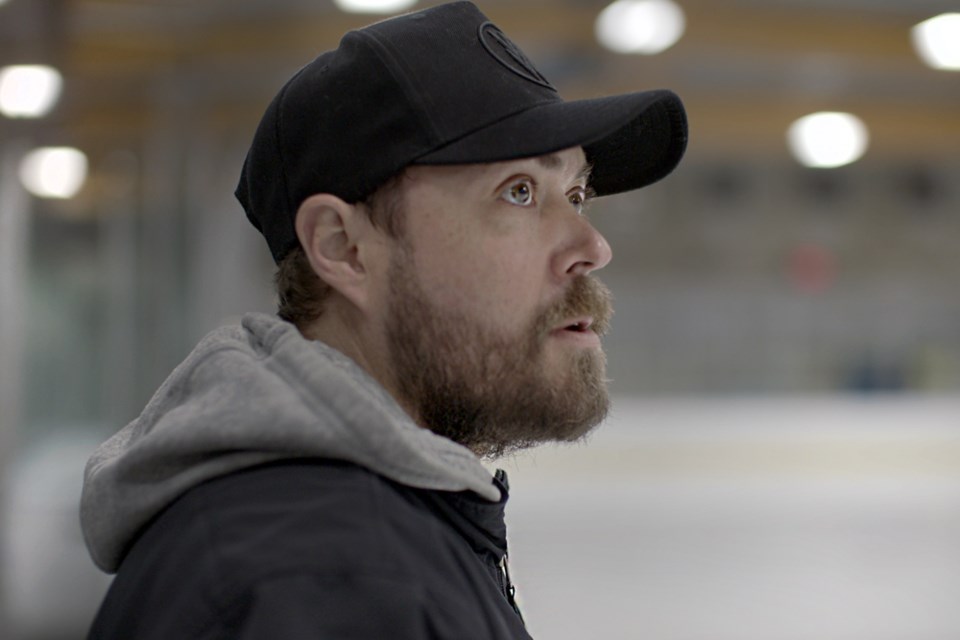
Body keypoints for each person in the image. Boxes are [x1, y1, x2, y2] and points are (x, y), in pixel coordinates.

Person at [80, 1, 687, 638]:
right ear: (343, 247)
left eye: (576, 194)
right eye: (519, 191)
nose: (592, 246)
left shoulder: (368, 544)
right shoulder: (328, 585)